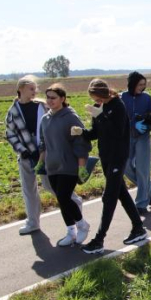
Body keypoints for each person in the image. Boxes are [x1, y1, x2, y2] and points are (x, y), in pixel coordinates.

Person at [72, 79, 148, 254]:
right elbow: (96, 133)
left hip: (118, 157)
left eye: (98, 98)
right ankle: (138, 228)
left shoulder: (118, 105)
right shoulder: (98, 107)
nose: (97, 101)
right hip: (106, 157)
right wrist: (81, 132)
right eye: (94, 99)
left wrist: (101, 116)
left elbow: (117, 132)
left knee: (109, 197)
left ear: (104, 93)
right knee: (121, 193)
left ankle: (99, 240)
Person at [5, 75, 82, 235]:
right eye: (31, 89)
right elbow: (10, 134)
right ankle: (32, 223)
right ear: (21, 89)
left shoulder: (42, 106)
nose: (34, 92)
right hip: (26, 155)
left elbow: (60, 118)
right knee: (29, 190)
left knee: (51, 186)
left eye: (35, 89)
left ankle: (75, 204)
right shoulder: (13, 111)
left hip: (46, 152)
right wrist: (22, 150)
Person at [35, 84, 92, 247]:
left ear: (62, 99)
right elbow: (43, 143)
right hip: (52, 166)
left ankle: (82, 225)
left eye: (53, 98)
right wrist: (41, 162)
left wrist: (82, 166)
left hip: (69, 165)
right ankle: (71, 231)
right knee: (61, 200)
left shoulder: (70, 118)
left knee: (64, 197)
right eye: (48, 97)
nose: (50, 101)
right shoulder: (45, 119)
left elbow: (81, 142)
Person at [122, 71, 151, 215]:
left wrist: (146, 123)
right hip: (127, 136)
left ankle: (141, 203)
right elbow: (120, 118)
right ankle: (150, 188)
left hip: (143, 136)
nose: (142, 87)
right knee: (125, 165)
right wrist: (133, 123)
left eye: (144, 85)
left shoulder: (147, 98)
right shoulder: (122, 97)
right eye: (139, 84)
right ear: (132, 84)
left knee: (143, 169)